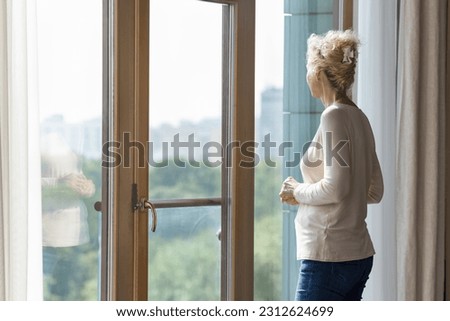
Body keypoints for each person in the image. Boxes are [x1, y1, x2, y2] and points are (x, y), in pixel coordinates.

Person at [279, 30, 384, 301]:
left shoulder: (334, 116)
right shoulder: (360, 118)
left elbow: (335, 188)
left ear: (317, 73)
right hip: (357, 256)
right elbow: (374, 191)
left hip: (329, 257)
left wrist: (297, 191)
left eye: (306, 69)